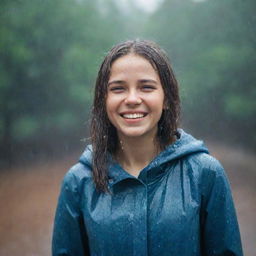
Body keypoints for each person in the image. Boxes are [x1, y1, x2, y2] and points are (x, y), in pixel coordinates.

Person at [52, 40, 243, 256]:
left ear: (167, 99)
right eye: (118, 88)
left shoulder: (205, 174)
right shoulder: (77, 183)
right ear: (103, 100)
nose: (132, 99)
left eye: (146, 87)